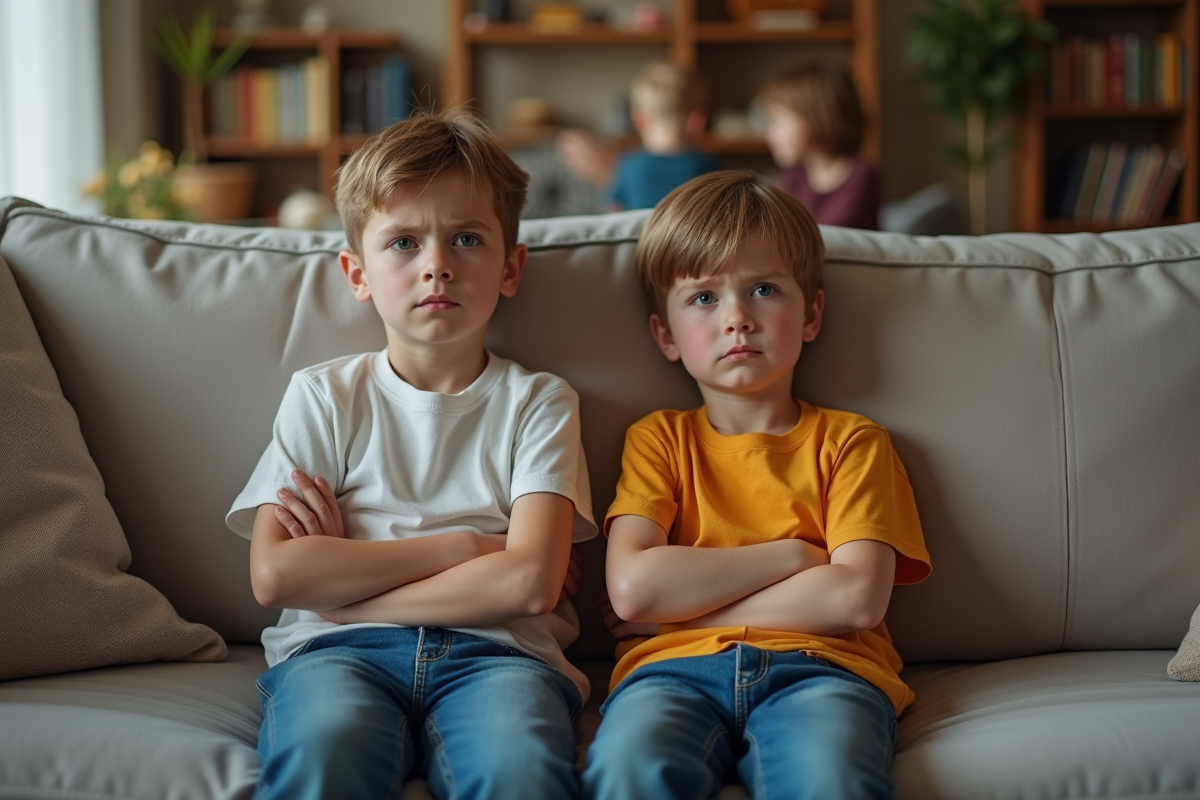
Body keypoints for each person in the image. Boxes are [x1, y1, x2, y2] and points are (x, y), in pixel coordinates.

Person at [225, 110, 597, 800]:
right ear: (357, 273)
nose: (437, 265)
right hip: (332, 656)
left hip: (501, 656)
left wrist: (344, 593)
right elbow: (277, 575)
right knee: (326, 750)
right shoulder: (325, 396)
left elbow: (529, 587)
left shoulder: (539, 402)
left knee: (517, 765)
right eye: (403, 242)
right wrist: (473, 548)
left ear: (511, 267)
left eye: (465, 238)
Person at [581, 171, 931, 800]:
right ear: (664, 334)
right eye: (703, 298)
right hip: (669, 675)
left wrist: (679, 614)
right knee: (630, 769)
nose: (737, 318)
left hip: (826, 671)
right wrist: (797, 557)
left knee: (829, 777)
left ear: (811, 314)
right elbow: (633, 589)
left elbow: (854, 602)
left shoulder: (852, 443)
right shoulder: (658, 440)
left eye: (763, 289)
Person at [761, 60, 882, 229]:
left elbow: (823, 236)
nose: (770, 134)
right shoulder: (795, 176)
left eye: (778, 121)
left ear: (815, 119)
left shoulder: (861, 175)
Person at [606, 61, 723, 210]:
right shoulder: (710, 168)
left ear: (638, 120)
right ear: (698, 121)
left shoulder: (629, 165)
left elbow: (614, 215)